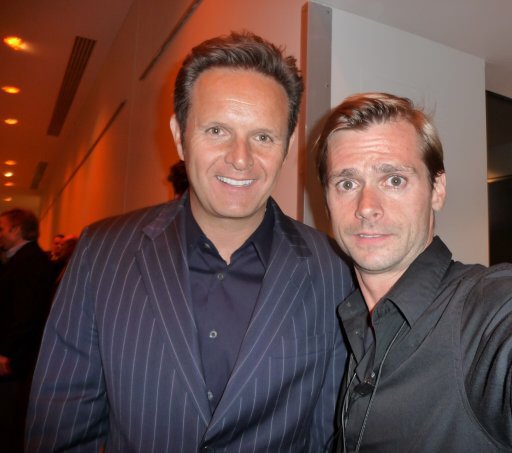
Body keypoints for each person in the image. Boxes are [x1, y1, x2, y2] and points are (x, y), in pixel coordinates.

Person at [26, 32, 353, 452]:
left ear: (288, 146)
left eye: (263, 137)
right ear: (180, 135)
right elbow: (62, 427)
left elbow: (331, 433)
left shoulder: (332, 269)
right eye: (217, 130)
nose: (240, 158)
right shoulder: (102, 253)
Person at [315, 92, 512, 452]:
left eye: (394, 180)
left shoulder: (489, 306)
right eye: (347, 183)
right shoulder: (351, 318)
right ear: (326, 201)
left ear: (437, 190)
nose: (367, 207)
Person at [0, 209, 54, 453]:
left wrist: (7, 353)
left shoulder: (30, 262)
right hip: (16, 357)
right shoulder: (22, 259)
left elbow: (26, 314)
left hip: (16, 360)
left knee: (9, 420)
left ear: (16, 230)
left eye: (1, 229)